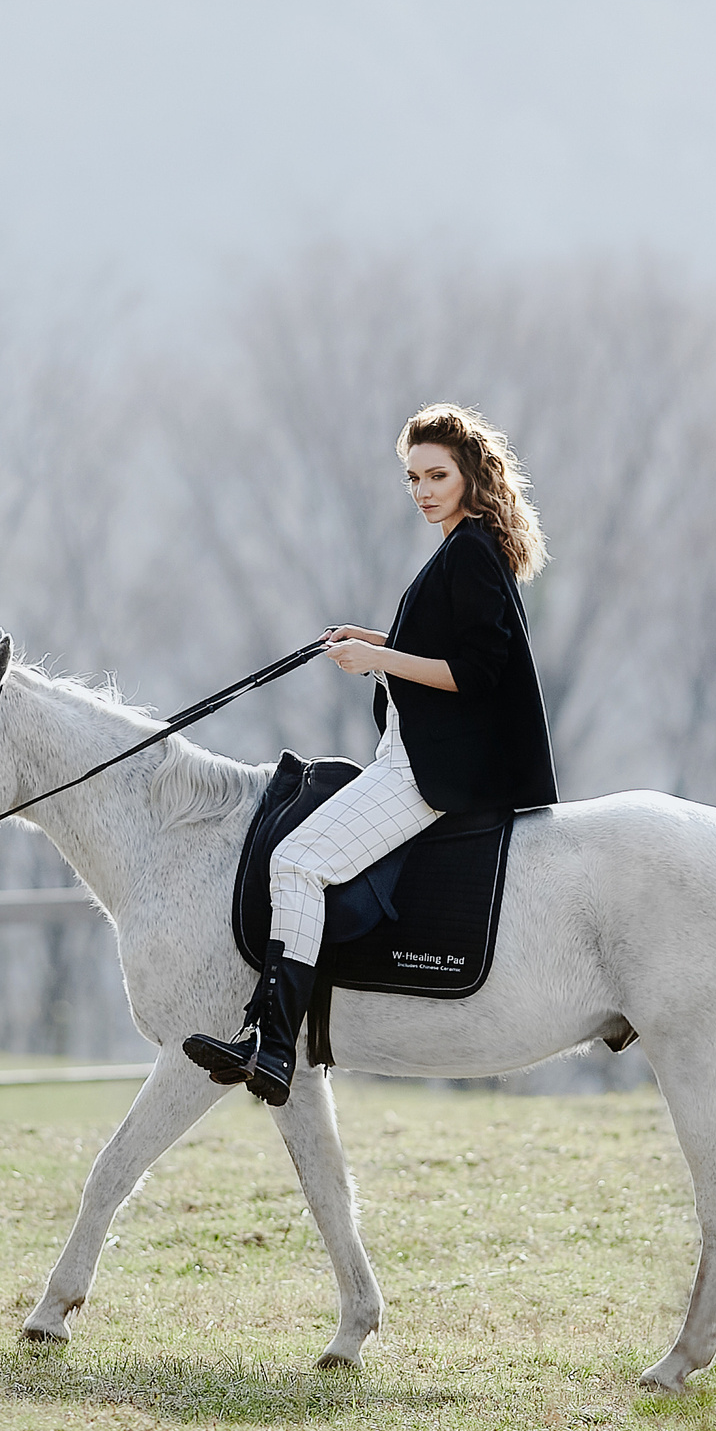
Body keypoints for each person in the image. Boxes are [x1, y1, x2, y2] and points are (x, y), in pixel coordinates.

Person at [183, 403, 557, 1105]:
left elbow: (475, 671)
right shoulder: (461, 546)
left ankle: (272, 1043)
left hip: (423, 771)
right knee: (300, 859)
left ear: (472, 474)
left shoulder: (471, 549)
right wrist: (372, 640)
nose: (422, 490)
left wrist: (376, 657)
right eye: (413, 477)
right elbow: (441, 646)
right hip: (406, 755)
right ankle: (268, 1037)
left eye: (437, 474)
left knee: (294, 861)